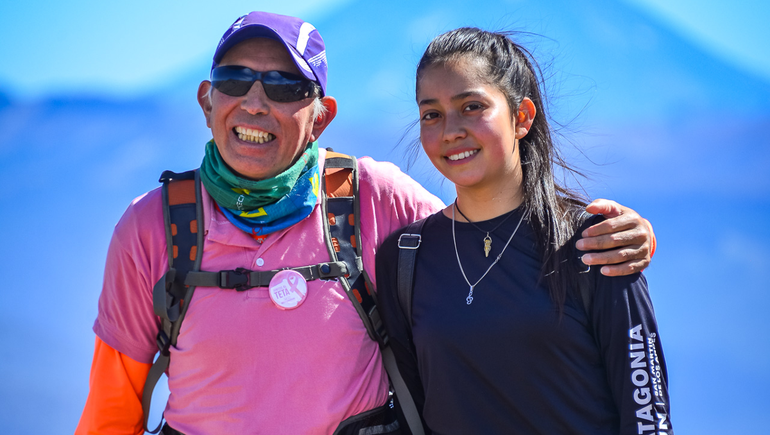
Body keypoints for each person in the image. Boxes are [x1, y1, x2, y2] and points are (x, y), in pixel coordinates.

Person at [75, 12, 657, 435]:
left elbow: (491, 234)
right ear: (207, 99)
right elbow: (111, 405)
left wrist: (623, 232)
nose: (254, 102)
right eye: (235, 80)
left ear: (321, 117)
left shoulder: (370, 199)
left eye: (284, 87)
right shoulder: (153, 225)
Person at [376, 27, 672, 435]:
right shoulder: (404, 258)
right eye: (432, 115)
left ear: (521, 117)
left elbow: (647, 417)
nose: (450, 131)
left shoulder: (593, 243)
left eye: (472, 106)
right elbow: (415, 413)